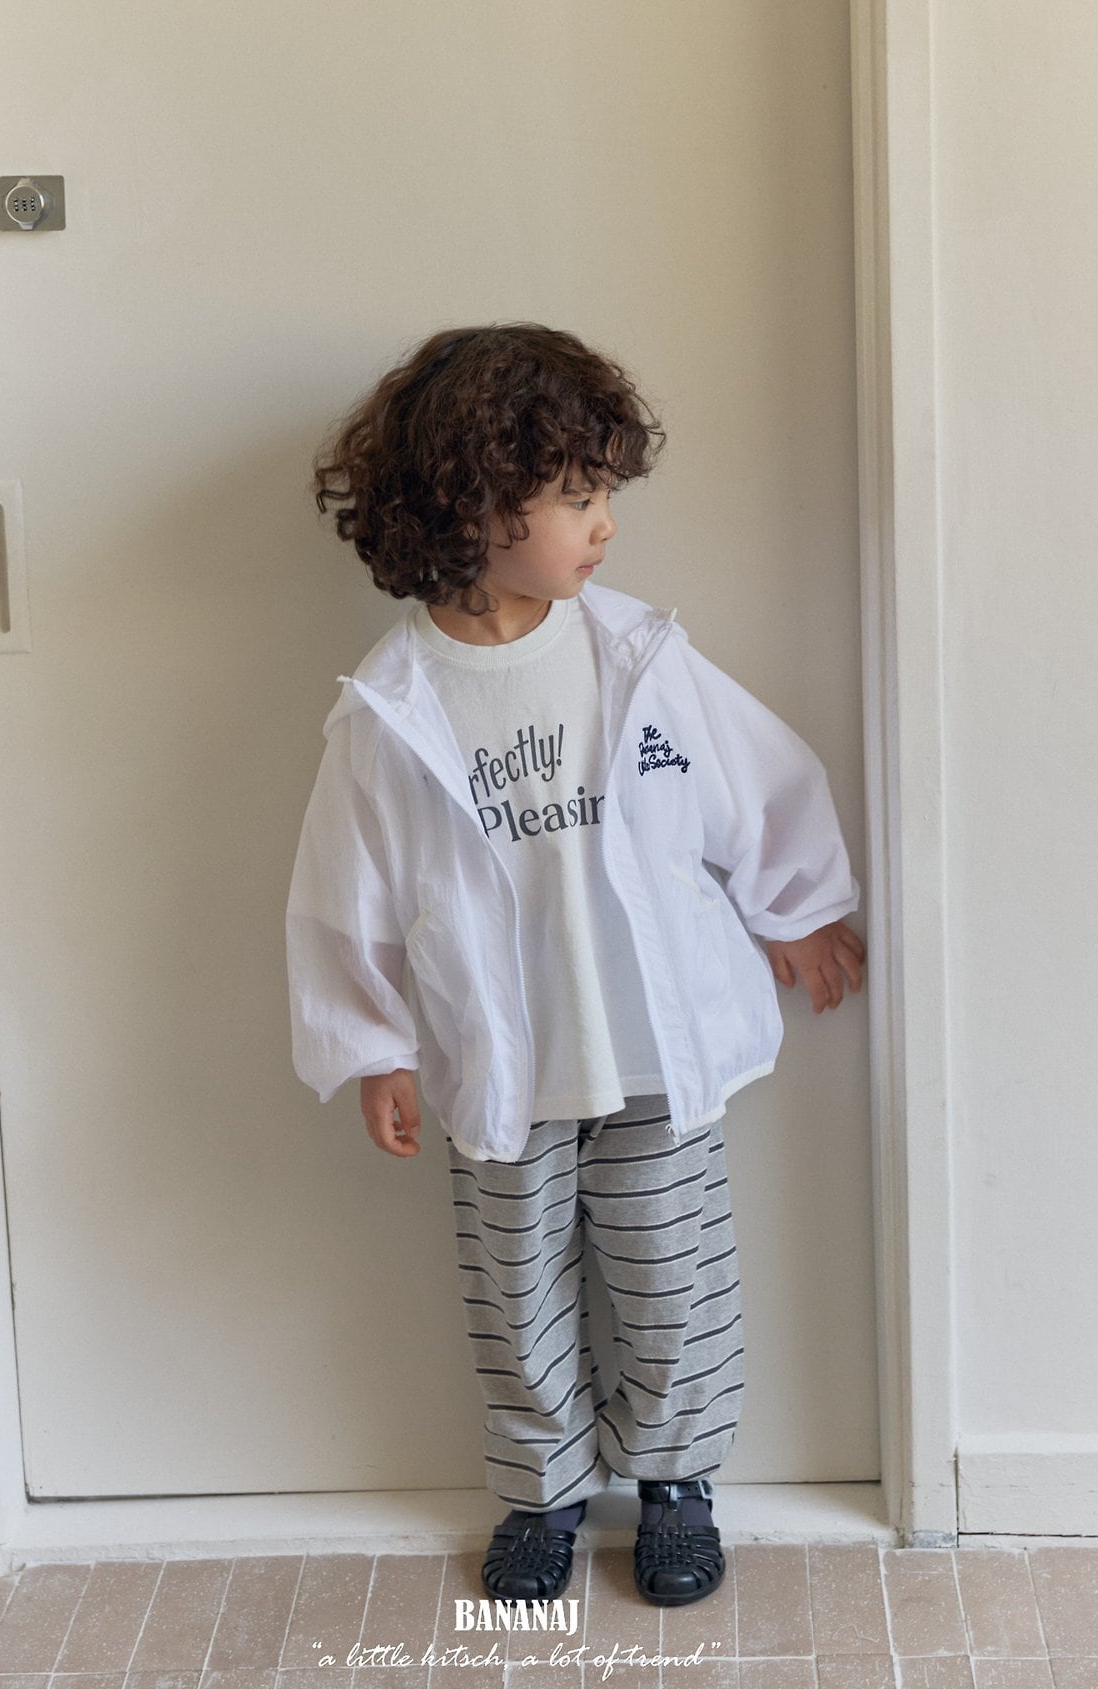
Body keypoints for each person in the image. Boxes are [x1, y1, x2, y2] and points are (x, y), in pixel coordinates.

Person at [285, 322, 866, 1609]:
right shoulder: (392, 706)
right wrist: (373, 1044)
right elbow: (343, 892)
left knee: (671, 1279)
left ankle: (674, 1484)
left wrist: (796, 905)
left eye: (604, 490)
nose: (604, 523)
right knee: (516, 1291)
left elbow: (749, 782)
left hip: (650, 1048)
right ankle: (540, 1488)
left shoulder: (632, 654)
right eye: (574, 495)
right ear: (476, 508)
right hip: (504, 1064)